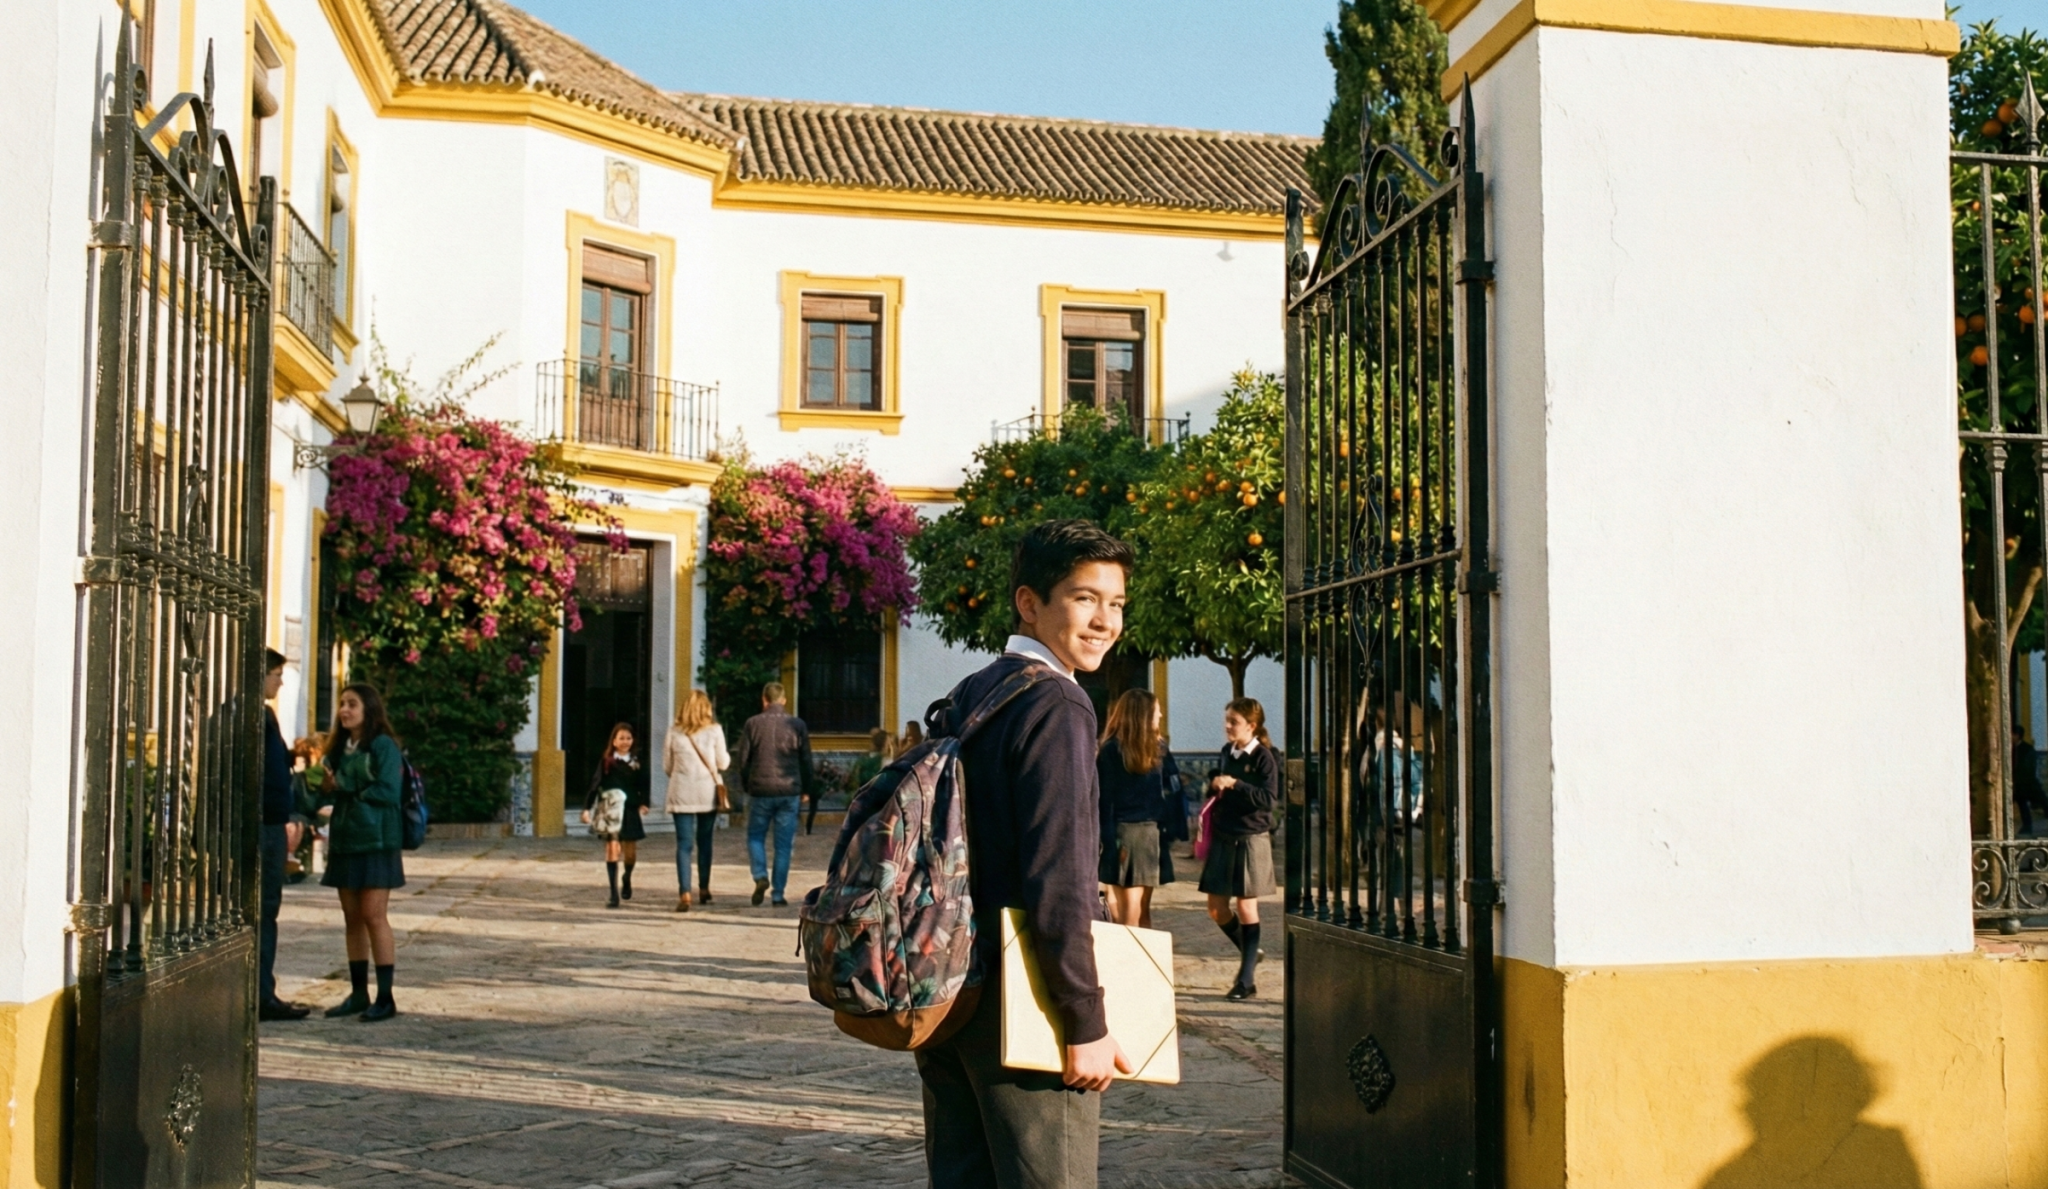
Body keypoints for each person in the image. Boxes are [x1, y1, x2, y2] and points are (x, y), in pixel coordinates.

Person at [918, 519, 1134, 1189]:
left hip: (950, 989)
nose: (1104, 620)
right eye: (1084, 598)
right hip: (1025, 1000)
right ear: (1029, 601)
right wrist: (1085, 1018)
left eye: (1117, 603)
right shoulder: (1058, 703)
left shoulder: (975, 692)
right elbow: (1060, 881)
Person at [315, 683, 406, 1022]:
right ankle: (357, 993)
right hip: (345, 840)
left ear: (368, 708)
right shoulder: (339, 749)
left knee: (373, 915)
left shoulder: (382, 746)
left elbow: (388, 790)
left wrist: (345, 786)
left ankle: (385, 996)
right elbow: (326, 793)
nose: (344, 710)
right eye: (341, 703)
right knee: (351, 917)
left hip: (377, 840)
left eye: (352, 704)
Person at [1201, 696, 1279, 1001]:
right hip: (1223, 837)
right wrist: (1216, 783)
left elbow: (1269, 800)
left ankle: (1246, 980)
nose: (1227, 726)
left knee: (1247, 907)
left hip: (1251, 838)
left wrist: (1235, 785)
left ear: (1252, 725)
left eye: (1233, 722)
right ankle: (1251, 952)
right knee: (1216, 909)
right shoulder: (1226, 751)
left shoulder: (1265, 757)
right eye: (1227, 720)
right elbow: (1222, 789)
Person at [1096, 688, 1182, 930]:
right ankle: (1131, 962)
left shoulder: (1119, 748)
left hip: (1133, 833)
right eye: (1156, 711)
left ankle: (1137, 962)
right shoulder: (1124, 750)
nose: (1161, 715)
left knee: (1132, 909)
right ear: (1143, 715)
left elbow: (1103, 799)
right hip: (1136, 834)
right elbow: (1173, 791)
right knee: (1133, 912)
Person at [257, 649, 310, 1021]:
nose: (281, 681)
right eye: (276, 674)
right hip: (263, 827)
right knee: (263, 911)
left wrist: (290, 756)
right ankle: (261, 994)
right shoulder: (258, 717)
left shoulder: (250, 714)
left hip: (264, 822)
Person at [729, 682, 813, 907]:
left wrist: (747, 784)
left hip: (760, 790)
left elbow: (743, 759)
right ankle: (778, 893)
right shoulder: (797, 725)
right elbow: (806, 760)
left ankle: (760, 875)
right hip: (789, 789)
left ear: (764, 700)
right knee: (784, 845)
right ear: (784, 700)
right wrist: (807, 788)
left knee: (755, 836)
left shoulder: (752, 724)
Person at [663, 691, 730, 912]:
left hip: (681, 792)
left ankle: (685, 892)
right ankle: (703, 887)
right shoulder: (715, 731)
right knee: (705, 841)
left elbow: (667, 766)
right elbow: (723, 763)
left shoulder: (674, 732)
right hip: (706, 792)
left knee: (684, 844)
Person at [581, 722, 648, 908]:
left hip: (630, 810)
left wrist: (644, 803)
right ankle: (613, 894)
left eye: (628, 738)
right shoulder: (606, 762)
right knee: (612, 849)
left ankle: (627, 876)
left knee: (630, 854)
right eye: (621, 738)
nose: (625, 742)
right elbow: (594, 785)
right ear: (614, 741)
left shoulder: (637, 762)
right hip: (610, 810)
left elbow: (643, 784)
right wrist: (587, 808)